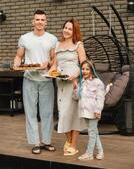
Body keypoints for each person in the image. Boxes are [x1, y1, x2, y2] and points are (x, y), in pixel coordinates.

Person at [13, 10, 58, 154]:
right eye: (37, 19)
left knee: (47, 112)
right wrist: (16, 64)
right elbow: (19, 56)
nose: (39, 22)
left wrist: (49, 64)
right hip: (29, 80)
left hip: (46, 80)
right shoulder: (25, 38)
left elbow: (54, 59)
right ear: (33, 22)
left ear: (46, 22)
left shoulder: (52, 39)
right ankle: (35, 142)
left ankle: (46, 141)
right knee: (31, 112)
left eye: (42, 19)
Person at [49, 18, 86, 156]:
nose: (66, 30)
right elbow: (54, 65)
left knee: (74, 114)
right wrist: (50, 73)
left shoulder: (78, 45)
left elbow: (84, 65)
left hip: (74, 84)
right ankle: (69, 140)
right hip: (61, 83)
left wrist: (75, 75)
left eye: (70, 29)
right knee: (63, 113)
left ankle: (74, 145)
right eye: (65, 27)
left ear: (74, 31)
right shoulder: (58, 45)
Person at [73, 60, 105, 160]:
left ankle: (89, 154)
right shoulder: (82, 82)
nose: (84, 71)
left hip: (93, 111)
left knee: (91, 133)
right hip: (84, 111)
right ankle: (101, 151)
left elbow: (100, 98)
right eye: (83, 69)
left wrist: (98, 111)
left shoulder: (98, 83)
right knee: (93, 132)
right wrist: (76, 88)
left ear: (92, 70)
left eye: (87, 69)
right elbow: (77, 97)